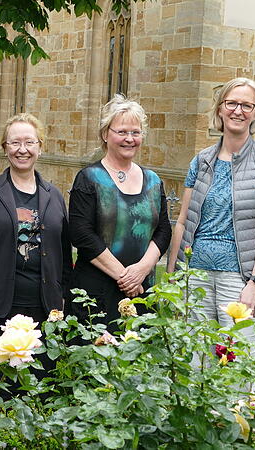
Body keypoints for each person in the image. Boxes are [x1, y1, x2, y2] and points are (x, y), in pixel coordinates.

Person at [167, 77, 255, 340]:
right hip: (195, 275)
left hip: (240, 278)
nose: (238, 111)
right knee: (194, 362)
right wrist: (173, 278)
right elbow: (183, 222)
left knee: (236, 361)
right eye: (232, 103)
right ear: (220, 109)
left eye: (247, 105)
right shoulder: (201, 161)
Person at [0, 113, 72, 373]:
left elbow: (64, 252)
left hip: (43, 304)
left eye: (29, 142)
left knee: (40, 382)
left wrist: (63, 294)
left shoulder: (54, 196)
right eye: (15, 143)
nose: (22, 150)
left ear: (40, 147)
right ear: (5, 148)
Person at [68, 95, 171, 327]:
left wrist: (141, 271)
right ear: (106, 134)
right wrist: (125, 277)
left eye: (136, 132)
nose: (129, 139)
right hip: (97, 293)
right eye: (122, 132)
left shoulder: (153, 181)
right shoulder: (89, 179)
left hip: (142, 291)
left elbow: (163, 231)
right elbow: (81, 234)